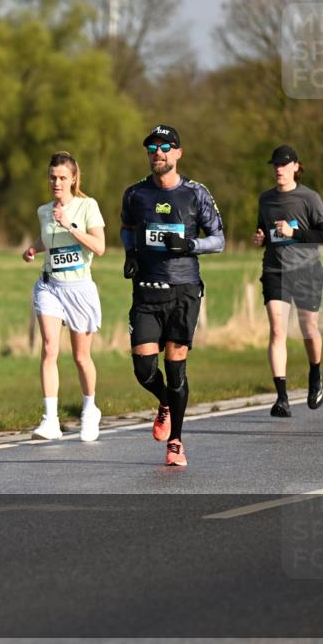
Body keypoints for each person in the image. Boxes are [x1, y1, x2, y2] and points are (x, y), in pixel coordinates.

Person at [120, 125, 225, 467]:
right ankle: (165, 402)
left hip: (183, 291)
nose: (158, 152)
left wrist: (190, 245)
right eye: (152, 147)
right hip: (147, 291)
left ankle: (176, 442)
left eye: (165, 147)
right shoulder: (135, 194)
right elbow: (127, 227)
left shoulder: (195, 194)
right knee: (144, 368)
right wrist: (131, 253)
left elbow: (219, 239)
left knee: (176, 367)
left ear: (178, 153)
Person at [23, 152, 106, 442]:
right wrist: (34, 249)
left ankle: (89, 409)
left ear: (73, 180)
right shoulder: (44, 211)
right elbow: (47, 237)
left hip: (79, 289)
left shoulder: (87, 207)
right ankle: (50, 420)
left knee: (81, 357)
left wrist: (70, 224)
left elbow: (99, 247)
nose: (56, 183)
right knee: (49, 349)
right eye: (52, 177)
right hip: (50, 286)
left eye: (62, 178)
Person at [252, 145, 323, 417]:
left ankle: (315, 372)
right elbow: (262, 229)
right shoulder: (265, 199)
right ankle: (282, 398)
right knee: (277, 331)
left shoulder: (310, 198)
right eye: (275, 165)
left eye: (284, 165)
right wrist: (259, 238)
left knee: (309, 329)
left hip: (307, 270)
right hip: (275, 270)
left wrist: (294, 232)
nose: (279, 169)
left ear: (296, 166)